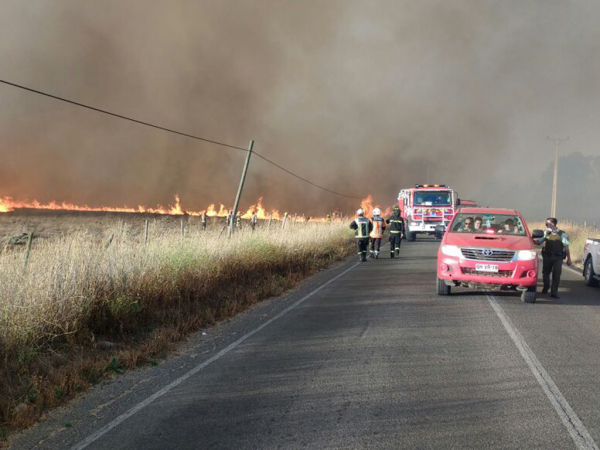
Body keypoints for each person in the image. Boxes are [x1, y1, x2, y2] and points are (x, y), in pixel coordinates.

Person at [533, 217, 571, 298]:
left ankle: (554, 292)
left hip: (558, 257)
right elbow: (539, 242)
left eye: (547, 224)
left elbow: (566, 248)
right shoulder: (546, 233)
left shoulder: (562, 234)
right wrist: (532, 240)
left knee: (556, 275)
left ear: (553, 224)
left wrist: (569, 259)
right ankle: (546, 286)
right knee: (545, 273)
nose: (546, 225)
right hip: (547, 256)